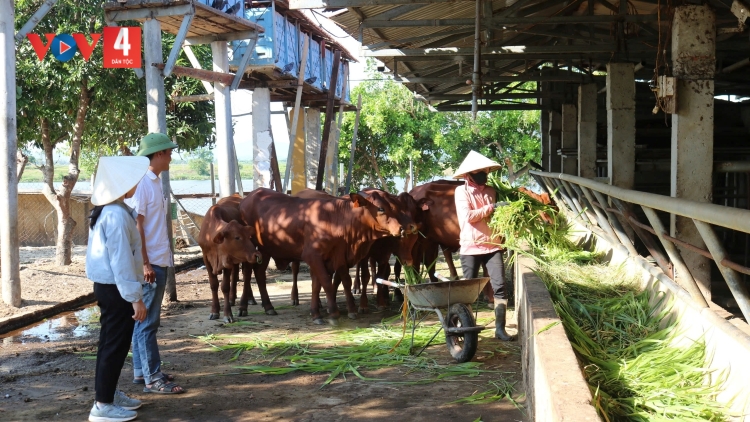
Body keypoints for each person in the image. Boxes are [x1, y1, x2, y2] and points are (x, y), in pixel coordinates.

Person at [86, 156, 150, 422]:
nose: (135, 183)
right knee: (114, 345)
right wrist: (136, 299)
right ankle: (102, 406)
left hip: (111, 287)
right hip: (115, 288)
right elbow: (122, 261)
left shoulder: (113, 209)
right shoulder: (114, 214)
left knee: (111, 344)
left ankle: (108, 395)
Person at [125, 132, 185, 394]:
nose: (171, 156)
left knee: (144, 322)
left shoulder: (155, 182)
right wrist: (146, 263)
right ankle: (153, 377)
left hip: (157, 259)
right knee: (147, 323)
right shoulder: (144, 184)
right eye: (168, 152)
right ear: (158, 154)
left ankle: (142, 372)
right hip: (151, 264)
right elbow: (138, 227)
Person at [453, 150, 515, 341]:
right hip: (470, 246)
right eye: (479, 172)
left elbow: (497, 218)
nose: (484, 175)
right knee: (468, 291)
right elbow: (469, 217)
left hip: (492, 245)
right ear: (468, 174)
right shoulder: (461, 192)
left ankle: (500, 329)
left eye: (485, 172)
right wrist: (492, 208)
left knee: (500, 286)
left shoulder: (491, 192)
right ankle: (464, 328)